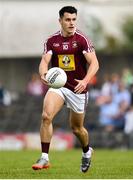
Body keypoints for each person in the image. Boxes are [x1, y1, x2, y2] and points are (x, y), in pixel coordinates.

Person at [32, 6, 99, 173]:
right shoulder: (52, 41)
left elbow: (95, 63)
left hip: (77, 88)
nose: (71, 23)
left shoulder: (82, 39)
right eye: (68, 19)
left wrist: (85, 81)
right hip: (58, 86)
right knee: (46, 116)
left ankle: (86, 151)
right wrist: (43, 73)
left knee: (77, 129)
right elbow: (44, 61)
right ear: (60, 21)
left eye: (74, 19)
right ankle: (44, 157)